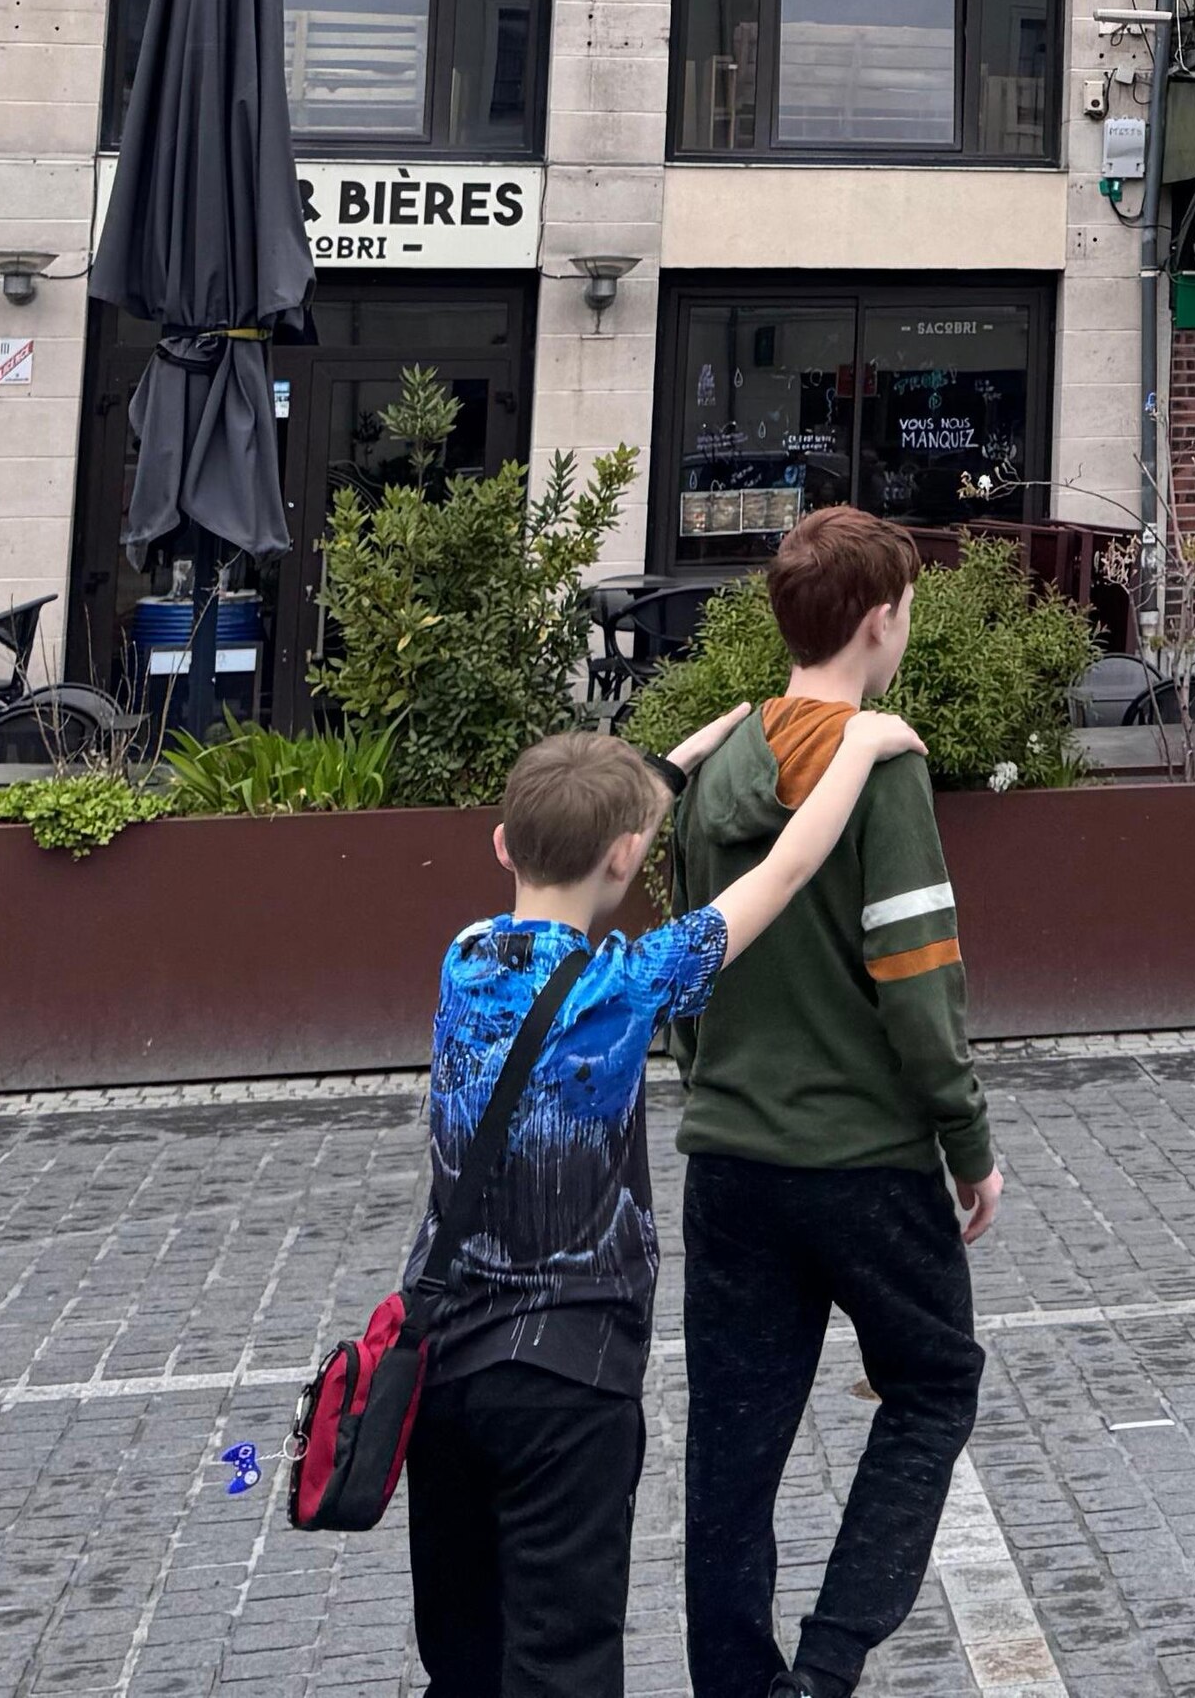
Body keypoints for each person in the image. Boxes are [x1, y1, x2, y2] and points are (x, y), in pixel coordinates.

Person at [406, 705, 908, 1698]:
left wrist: (663, 767)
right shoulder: (625, 987)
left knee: (463, 1659)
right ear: (629, 857)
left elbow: (582, 838)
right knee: (563, 1662)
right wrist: (856, 745)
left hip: (443, 1364)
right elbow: (785, 872)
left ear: (503, 843)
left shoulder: (465, 957)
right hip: (568, 1377)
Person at [671, 510, 1007, 1698]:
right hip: (864, 1159)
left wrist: (710, 1076)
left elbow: (685, 964)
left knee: (732, 1451)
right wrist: (966, 1138)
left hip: (730, 1158)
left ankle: (736, 1686)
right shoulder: (881, 760)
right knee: (934, 1385)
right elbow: (918, 980)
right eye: (907, 608)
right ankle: (823, 1670)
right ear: (881, 620)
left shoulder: (715, 764)